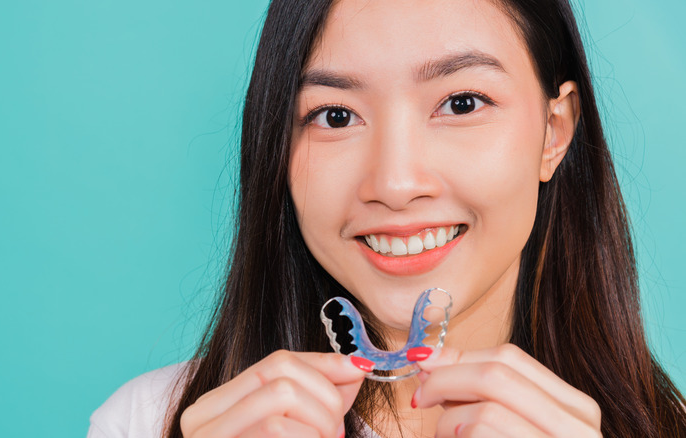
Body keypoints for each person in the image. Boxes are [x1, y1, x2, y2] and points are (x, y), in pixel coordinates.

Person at [88, 0, 686, 436]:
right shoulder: (146, 422)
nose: (395, 185)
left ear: (554, 131)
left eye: (462, 103)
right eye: (335, 116)